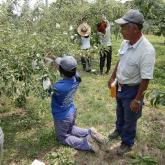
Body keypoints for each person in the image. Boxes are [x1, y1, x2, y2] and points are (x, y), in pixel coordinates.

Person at [108, 9, 156, 155]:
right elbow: (120, 60)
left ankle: (127, 142)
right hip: (121, 87)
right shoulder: (125, 43)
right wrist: (113, 77)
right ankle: (118, 128)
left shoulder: (147, 50)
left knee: (130, 118)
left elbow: (146, 78)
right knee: (120, 111)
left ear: (134, 28)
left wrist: (137, 99)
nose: (121, 30)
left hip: (133, 90)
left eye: (124, 27)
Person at [46, 55, 105, 152]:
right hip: (71, 111)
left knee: (63, 137)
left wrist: (45, 73)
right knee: (70, 128)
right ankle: (90, 132)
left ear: (61, 71)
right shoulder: (77, 77)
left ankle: (86, 144)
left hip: (62, 117)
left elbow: (47, 89)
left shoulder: (58, 87)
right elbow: (65, 68)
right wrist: (54, 58)